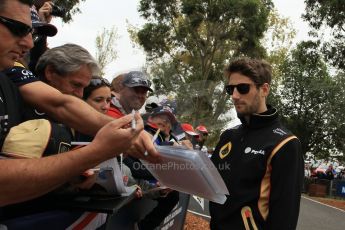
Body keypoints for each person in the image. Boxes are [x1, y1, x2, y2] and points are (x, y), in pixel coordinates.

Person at [0, 0, 158, 208]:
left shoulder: (11, 72)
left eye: (33, 33)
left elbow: (61, 104)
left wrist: (68, 176)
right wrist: (94, 153)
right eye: (19, 29)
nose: (29, 42)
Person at [209, 58, 304, 230]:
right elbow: (210, 182)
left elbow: (285, 219)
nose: (235, 96)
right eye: (230, 89)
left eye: (243, 88)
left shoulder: (285, 144)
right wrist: (189, 157)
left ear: (264, 90)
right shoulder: (228, 136)